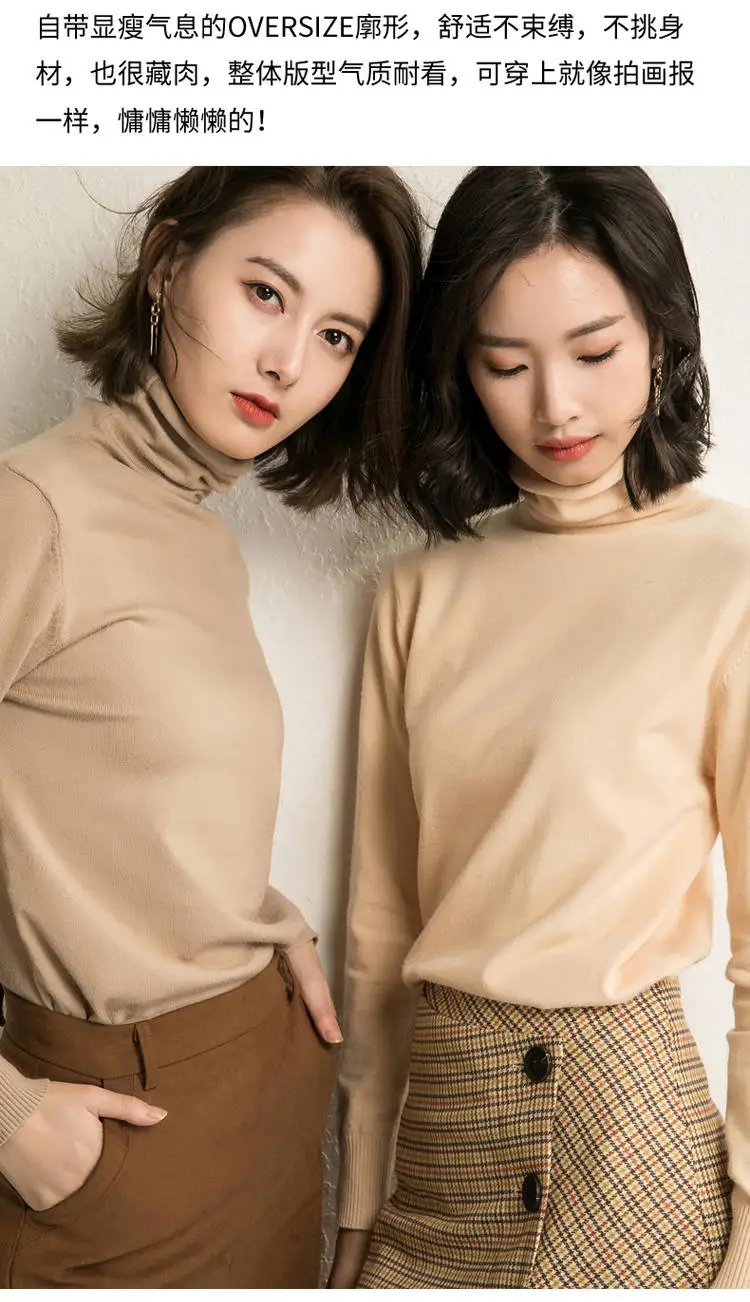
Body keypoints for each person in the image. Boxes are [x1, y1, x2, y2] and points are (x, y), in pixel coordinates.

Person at [0, 165, 423, 1288]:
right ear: (169, 262)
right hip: (116, 1141)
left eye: (337, 336)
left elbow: (127, 803)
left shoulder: (197, 531)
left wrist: (265, 920)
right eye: (266, 294)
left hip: (263, 1101)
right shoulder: (36, 509)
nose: (289, 363)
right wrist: (4, 1114)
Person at [330, 166, 750, 1289]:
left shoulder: (731, 574)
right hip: (439, 1142)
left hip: (634, 1154)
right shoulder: (419, 590)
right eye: (506, 365)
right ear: (460, 370)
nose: (555, 406)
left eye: (595, 352)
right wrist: (358, 1205)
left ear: (662, 333)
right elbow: (379, 926)